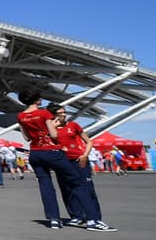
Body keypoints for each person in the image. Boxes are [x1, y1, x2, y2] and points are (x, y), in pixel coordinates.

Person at [16, 87, 86, 230]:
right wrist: (53, 126)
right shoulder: (44, 113)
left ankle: (54, 219)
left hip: (35, 153)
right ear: (37, 99)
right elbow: (54, 135)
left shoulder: (21, 116)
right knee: (76, 180)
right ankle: (89, 217)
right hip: (51, 151)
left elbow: (27, 137)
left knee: (46, 186)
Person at [49, 104, 115, 231]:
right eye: (60, 113)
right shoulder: (50, 129)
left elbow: (89, 141)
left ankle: (95, 218)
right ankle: (76, 216)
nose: (63, 114)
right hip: (62, 162)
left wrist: (85, 155)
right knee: (67, 189)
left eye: (64, 112)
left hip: (79, 160)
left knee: (87, 189)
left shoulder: (73, 125)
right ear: (53, 115)